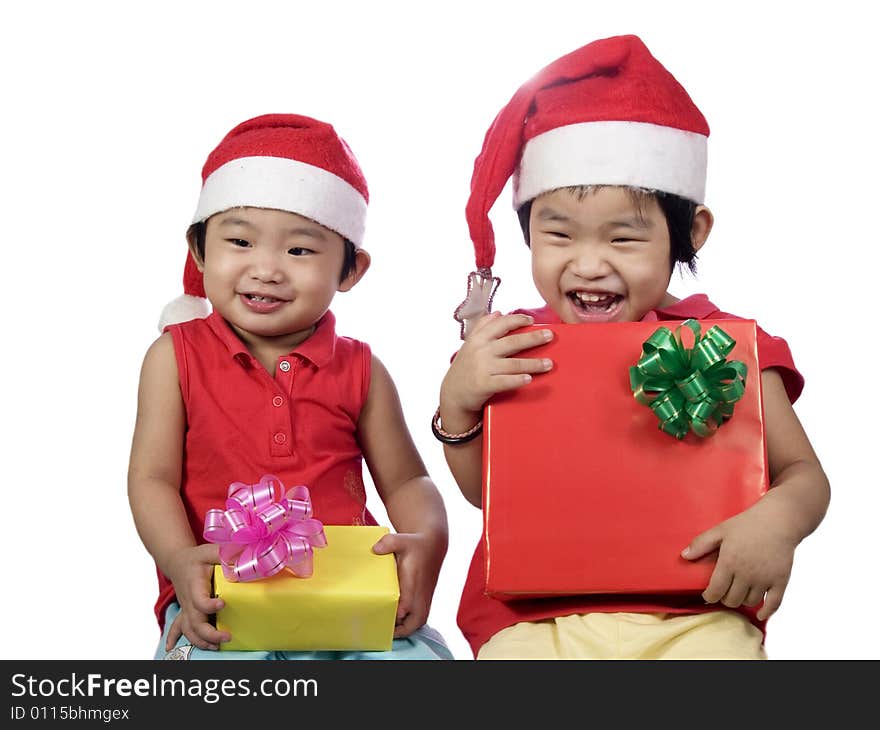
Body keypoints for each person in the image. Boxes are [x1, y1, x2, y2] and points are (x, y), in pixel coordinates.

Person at [436, 35, 830, 659]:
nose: (588, 264)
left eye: (623, 239)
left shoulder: (725, 343)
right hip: (534, 620)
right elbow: (487, 493)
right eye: (558, 234)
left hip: (695, 616)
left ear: (689, 233)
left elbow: (805, 475)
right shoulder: (511, 341)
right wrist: (457, 406)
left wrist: (776, 522)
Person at [128, 113, 452, 660]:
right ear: (200, 252)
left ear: (349, 271)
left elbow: (408, 481)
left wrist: (427, 542)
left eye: (299, 251)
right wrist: (180, 559)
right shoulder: (173, 356)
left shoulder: (362, 370)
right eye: (239, 242)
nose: (267, 269)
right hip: (222, 596)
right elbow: (151, 478)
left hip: (348, 591)